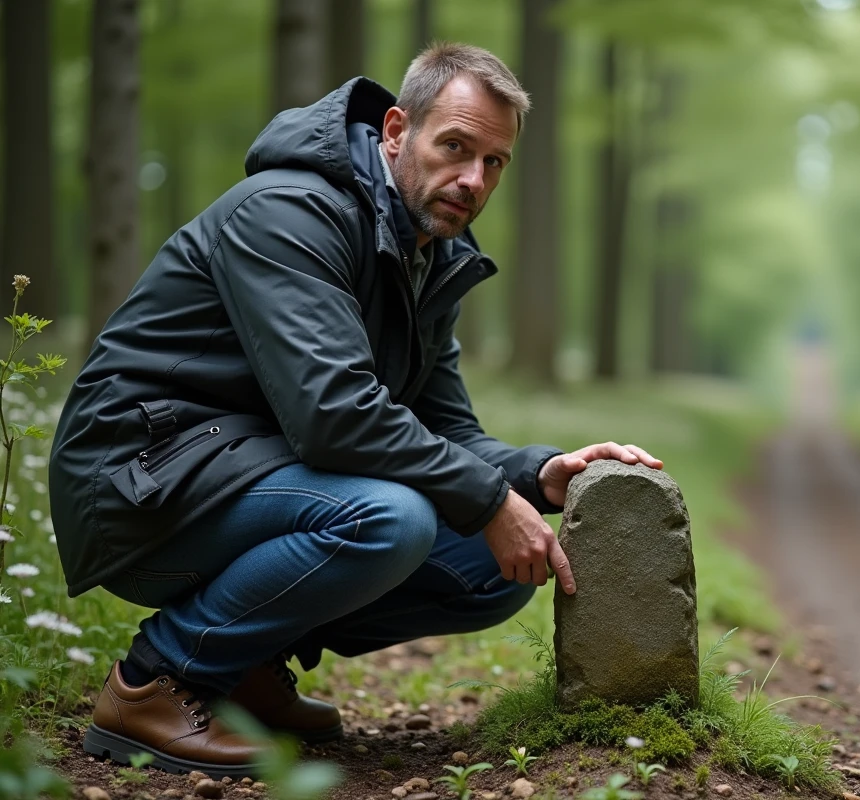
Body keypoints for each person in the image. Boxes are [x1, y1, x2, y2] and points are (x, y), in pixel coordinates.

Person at [48, 43, 662, 779]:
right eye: (455, 147)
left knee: (495, 568)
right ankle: (154, 683)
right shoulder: (287, 213)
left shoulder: (429, 251)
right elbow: (332, 415)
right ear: (397, 131)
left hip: (237, 474)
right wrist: (487, 497)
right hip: (139, 486)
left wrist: (537, 477)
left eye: (494, 162)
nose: (472, 179)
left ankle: (243, 663)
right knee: (390, 518)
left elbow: (450, 430)